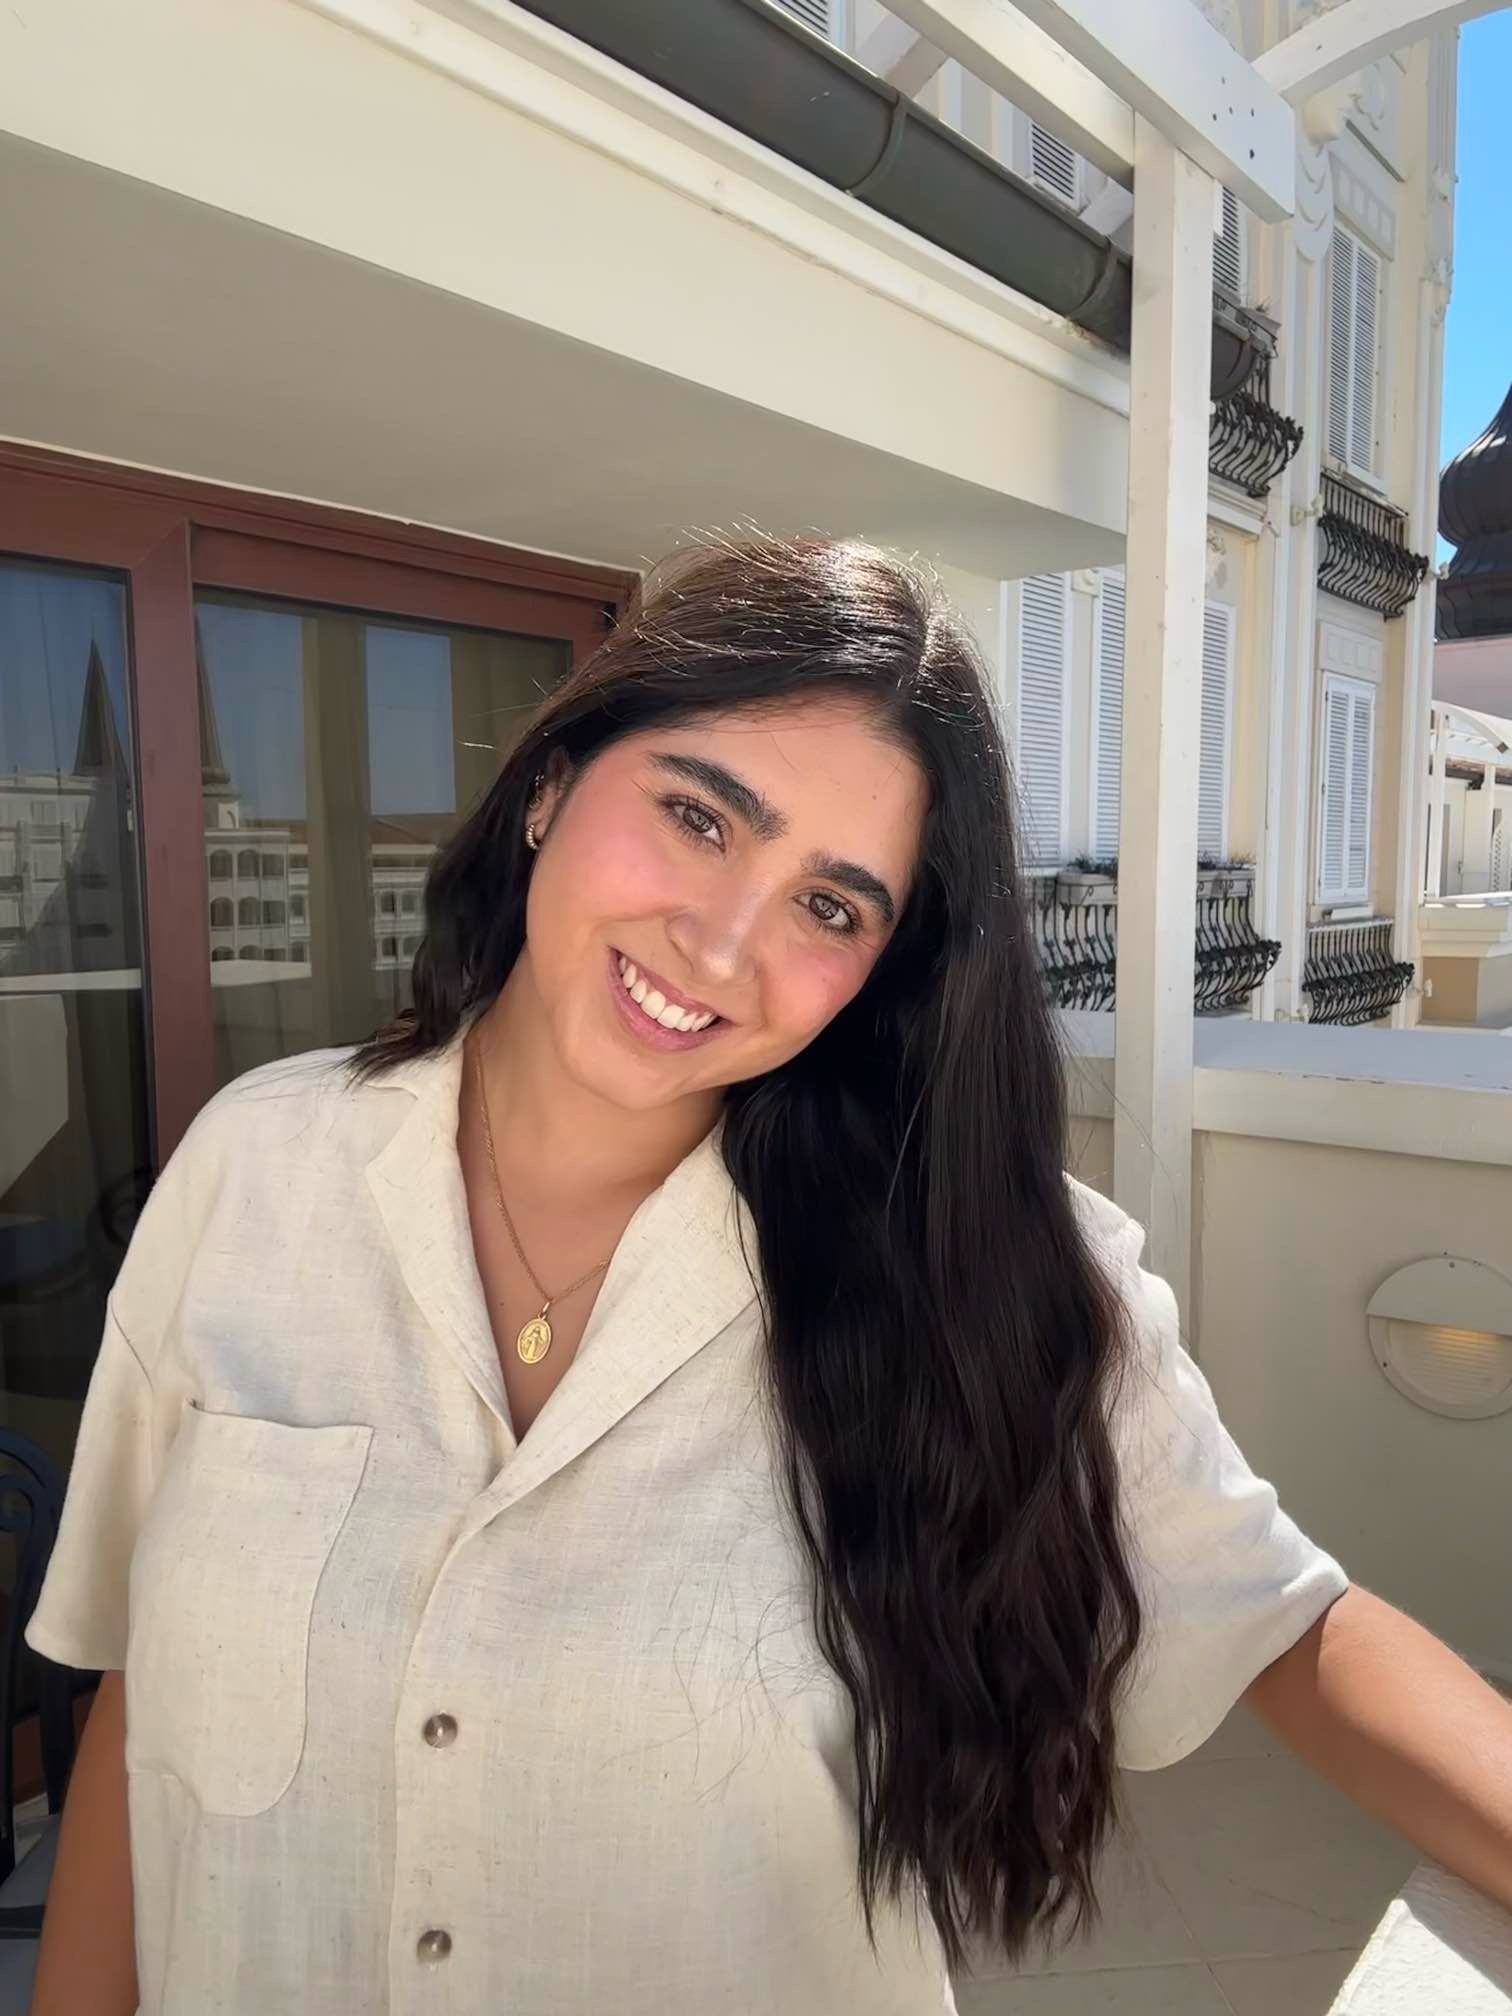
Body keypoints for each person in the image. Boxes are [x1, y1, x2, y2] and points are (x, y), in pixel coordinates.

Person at [26, 535, 1512, 2016]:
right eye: (697, 815)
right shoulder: (253, 1170)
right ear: (550, 782)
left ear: (884, 968)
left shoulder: (966, 1267)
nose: (725, 942)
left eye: (830, 906)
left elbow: (1287, 1627)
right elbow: (138, 1692)